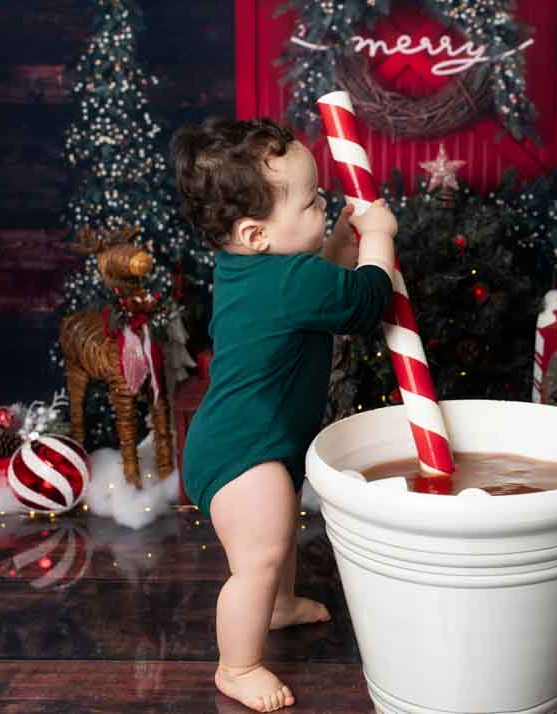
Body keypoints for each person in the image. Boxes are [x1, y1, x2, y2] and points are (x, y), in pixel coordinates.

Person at [171, 117, 396, 712]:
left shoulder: (257, 268)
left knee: (277, 533)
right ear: (255, 233)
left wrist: (338, 243)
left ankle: (278, 606)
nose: (323, 206)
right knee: (260, 556)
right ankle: (237, 666)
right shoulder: (289, 279)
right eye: (311, 202)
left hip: (247, 437)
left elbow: (319, 283)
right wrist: (378, 238)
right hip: (240, 451)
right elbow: (366, 301)